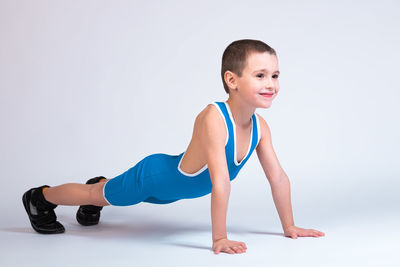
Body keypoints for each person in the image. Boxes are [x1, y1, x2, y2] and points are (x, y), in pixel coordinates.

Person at [22, 39, 325, 255]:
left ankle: (99, 190)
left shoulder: (260, 128)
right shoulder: (214, 118)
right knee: (99, 195)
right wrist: (219, 238)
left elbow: (278, 178)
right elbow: (220, 181)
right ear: (231, 80)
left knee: (108, 192)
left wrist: (290, 226)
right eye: (260, 75)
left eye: (274, 75)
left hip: (174, 192)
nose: (271, 84)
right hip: (155, 177)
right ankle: (40, 197)